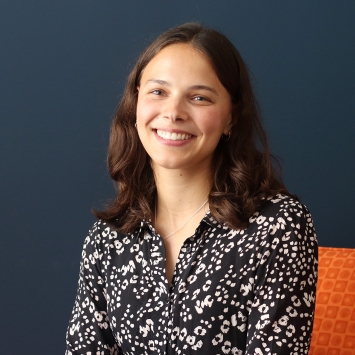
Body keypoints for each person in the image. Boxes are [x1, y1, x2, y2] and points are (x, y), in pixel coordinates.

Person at [66, 22, 317, 355]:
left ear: (231, 118)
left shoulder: (279, 227)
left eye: (199, 97)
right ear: (136, 103)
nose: (173, 113)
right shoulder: (107, 240)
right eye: (158, 91)